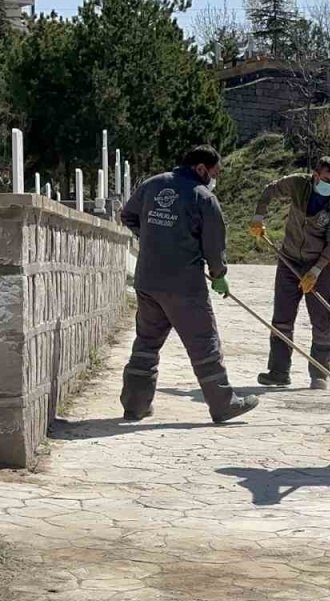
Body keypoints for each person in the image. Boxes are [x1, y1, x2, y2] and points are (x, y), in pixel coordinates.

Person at [119, 145, 258, 423]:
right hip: (183, 286)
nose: (215, 178)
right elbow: (214, 245)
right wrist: (219, 276)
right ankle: (223, 404)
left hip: (147, 280)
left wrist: (151, 237)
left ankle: (135, 404)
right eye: (215, 172)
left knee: (146, 343)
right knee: (204, 344)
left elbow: (127, 215)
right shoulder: (203, 198)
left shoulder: (152, 184)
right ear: (201, 169)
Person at [249, 157, 330, 389]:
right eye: (326, 180)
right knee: (282, 318)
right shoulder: (298, 184)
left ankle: (320, 374)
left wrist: (316, 270)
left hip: (319, 266)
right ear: (315, 176)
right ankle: (278, 372)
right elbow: (269, 190)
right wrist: (258, 216)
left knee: (322, 320)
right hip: (289, 259)